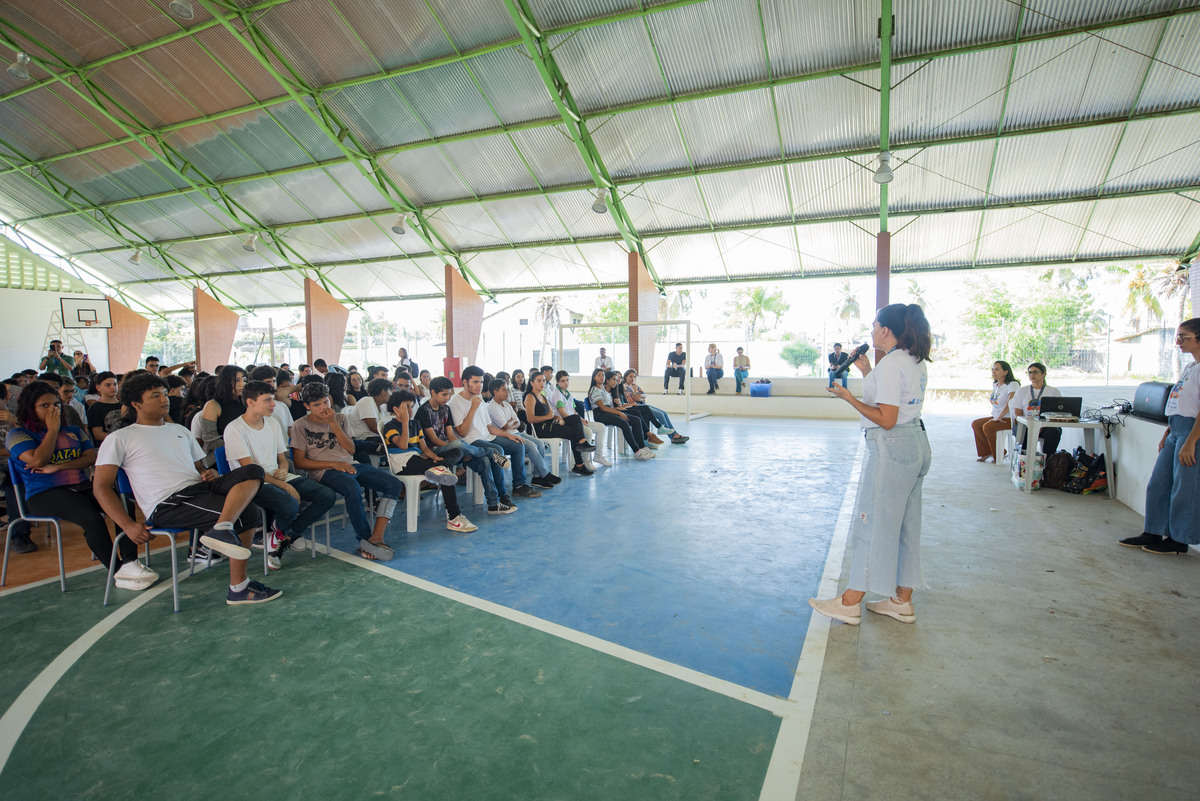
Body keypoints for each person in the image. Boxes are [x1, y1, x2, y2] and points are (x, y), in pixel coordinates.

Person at [92, 373, 281, 605]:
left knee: (254, 471)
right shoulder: (121, 438)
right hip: (168, 502)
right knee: (247, 513)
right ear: (136, 404)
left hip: (199, 489)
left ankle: (222, 528)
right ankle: (239, 587)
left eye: (164, 394)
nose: (165, 399)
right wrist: (128, 525)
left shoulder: (179, 431)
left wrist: (208, 473)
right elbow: (100, 487)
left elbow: (199, 468)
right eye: (155, 396)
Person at [811, 303, 932, 626]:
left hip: (891, 448)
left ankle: (850, 602)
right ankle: (901, 600)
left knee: (872, 522)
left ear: (885, 331)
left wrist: (850, 398)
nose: (871, 331)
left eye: (874, 325)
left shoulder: (892, 365)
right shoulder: (912, 360)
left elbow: (887, 419)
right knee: (907, 526)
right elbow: (895, 402)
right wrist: (867, 372)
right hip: (915, 445)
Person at [6, 381, 159, 589]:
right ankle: (117, 571)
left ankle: (130, 562)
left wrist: (60, 467)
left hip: (80, 487)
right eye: (45, 406)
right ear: (29, 409)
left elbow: (91, 457)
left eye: (56, 405)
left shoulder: (73, 431)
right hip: (44, 494)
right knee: (91, 518)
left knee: (122, 505)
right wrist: (52, 431)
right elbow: (37, 461)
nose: (53, 410)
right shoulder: (19, 435)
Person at [224, 381, 335, 569]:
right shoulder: (235, 429)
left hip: (277, 477)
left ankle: (282, 535)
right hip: (251, 483)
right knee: (290, 503)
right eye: (268, 400)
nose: (274, 405)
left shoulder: (273, 423)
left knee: (327, 495)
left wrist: (284, 469)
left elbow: (282, 458)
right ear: (250, 402)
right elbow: (251, 470)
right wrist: (285, 485)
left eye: (273, 400)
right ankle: (283, 536)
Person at [290, 381, 401, 561]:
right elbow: (300, 461)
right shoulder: (300, 425)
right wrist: (333, 465)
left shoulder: (340, 418)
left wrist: (333, 424)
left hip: (351, 463)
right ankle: (364, 538)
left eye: (325, 402)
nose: (323, 408)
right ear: (307, 406)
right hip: (324, 470)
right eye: (317, 405)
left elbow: (351, 449)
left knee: (393, 484)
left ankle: (377, 537)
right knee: (352, 487)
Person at [1120, 318, 1200, 556]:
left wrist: (1191, 441)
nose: (1178, 342)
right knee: (1159, 483)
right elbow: (1180, 403)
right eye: (1178, 337)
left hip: (1191, 433)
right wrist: (1168, 432)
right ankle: (1153, 530)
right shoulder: (1190, 368)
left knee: (1185, 488)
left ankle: (1179, 539)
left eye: (1184, 337)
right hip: (1176, 429)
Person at [416, 376, 514, 516]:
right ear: (432, 393)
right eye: (444, 394)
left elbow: (450, 434)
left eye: (449, 394)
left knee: (483, 461)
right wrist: (457, 447)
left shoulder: (445, 409)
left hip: (454, 448)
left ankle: (493, 504)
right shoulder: (423, 411)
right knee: (461, 444)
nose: (447, 397)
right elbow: (433, 439)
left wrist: (461, 449)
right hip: (436, 451)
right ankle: (490, 452)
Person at [449, 366, 539, 502]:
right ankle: (501, 495)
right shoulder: (455, 402)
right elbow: (461, 432)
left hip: (488, 437)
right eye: (475, 382)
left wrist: (508, 435)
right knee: (498, 450)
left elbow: (489, 427)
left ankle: (519, 485)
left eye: (481, 382)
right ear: (465, 382)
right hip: (471, 440)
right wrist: (472, 408)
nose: (479, 385)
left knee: (518, 444)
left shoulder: (478, 398)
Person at [490, 380, 556, 490]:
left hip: (516, 432)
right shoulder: (491, 407)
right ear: (495, 391)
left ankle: (537, 477)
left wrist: (510, 423)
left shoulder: (507, 405)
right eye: (504, 390)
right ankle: (545, 473)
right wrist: (511, 422)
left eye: (507, 389)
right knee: (530, 446)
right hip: (503, 436)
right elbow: (505, 427)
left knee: (539, 443)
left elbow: (518, 422)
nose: (507, 392)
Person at [549, 370, 607, 473]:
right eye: (563, 381)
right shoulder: (557, 394)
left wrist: (581, 419)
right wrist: (577, 420)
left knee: (601, 427)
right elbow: (564, 415)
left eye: (567, 380)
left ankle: (597, 455)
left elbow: (574, 411)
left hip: (574, 420)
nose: (566, 383)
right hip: (563, 421)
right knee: (588, 432)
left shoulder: (567, 393)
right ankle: (585, 460)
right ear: (557, 382)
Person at [590, 370, 652, 460]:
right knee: (624, 422)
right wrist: (619, 413)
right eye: (599, 375)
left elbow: (609, 407)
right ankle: (637, 451)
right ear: (594, 378)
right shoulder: (595, 390)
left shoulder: (603, 390)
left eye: (603, 375)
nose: (602, 377)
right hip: (601, 415)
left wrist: (618, 408)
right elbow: (602, 408)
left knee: (636, 419)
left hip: (608, 412)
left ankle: (642, 448)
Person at [970, 361, 1020, 462]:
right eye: (993, 369)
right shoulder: (996, 385)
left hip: (1009, 418)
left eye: (997, 369)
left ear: (1006, 372)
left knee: (988, 427)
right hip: (996, 417)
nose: (993, 372)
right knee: (976, 424)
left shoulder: (1012, 384)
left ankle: (1000, 454)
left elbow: (1011, 402)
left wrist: (1000, 417)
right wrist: (996, 417)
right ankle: (986, 452)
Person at [1009, 362, 1063, 456]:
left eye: (1035, 372)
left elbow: (1057, 413)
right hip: (1025, 425)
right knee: (1023, 432)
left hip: (1046, 425)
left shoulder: (1053, 391)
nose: (1032, 375)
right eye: (1029, 372)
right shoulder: (1022, 391)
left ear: (1044, 374)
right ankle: (1024, 461)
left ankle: (1048, 461)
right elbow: (1017, 413)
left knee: (1054, 432)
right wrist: (1031, 425)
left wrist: (1041, 426)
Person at [622, 370, 688, 444]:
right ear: (625, 377)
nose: (632, 378)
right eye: (630, 376)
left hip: (642, 404)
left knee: (664, 413)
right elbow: (629, 399)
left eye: (634, 376)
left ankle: (674, 435)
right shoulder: (624, 387)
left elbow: (644, 395)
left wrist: (639, 396)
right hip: (636, 406)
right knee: (659, 414)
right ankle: (673, 435)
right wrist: (638, 396)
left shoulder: (635, 386)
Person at [344, 377, 392, 464]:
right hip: (364, 439)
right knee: (396, 441)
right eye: (390, 391)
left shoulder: (382, 406)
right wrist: (392, 435)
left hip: (374, 438)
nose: (391, 394)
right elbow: (373, 427)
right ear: (383, 392)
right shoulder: (367, 401)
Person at [85, 372, 122, 444]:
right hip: (107, 445)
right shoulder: (95, 408)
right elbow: (98, 434)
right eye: (108, 385)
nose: (113, 387)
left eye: (115, 384)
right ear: (98, 387)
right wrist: (121, 439)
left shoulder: (125, 405)